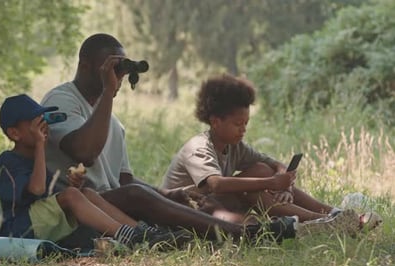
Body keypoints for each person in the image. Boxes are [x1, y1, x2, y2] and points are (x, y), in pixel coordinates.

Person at [39, 33, 253, 242]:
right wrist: (108, 92)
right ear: (84, 66)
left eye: (120, 71)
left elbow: (124, 179)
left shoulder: (110, 120)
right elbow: (86, 153)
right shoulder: (62, 99)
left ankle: (244, 228)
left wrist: (169, 195)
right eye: (110, 69)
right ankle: (239, 234)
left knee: (199, 202)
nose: (117, 78)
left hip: (111, 203)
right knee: (136, 195)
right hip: (78, 203)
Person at [159, 73, 362, 229]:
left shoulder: (234, 146)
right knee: (259, 185)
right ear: (215, 122)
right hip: (189, 211)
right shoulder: (199, 148)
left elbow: (274, 165)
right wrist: (272, 183)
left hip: (215, 205)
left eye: (246, 123)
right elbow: (217, 184)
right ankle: (322, 221)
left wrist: (284, 186)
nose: (243, 129)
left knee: (261, 169)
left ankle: (333, 212)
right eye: (238, 123)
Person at [0, 94, 183, 249]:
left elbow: (47, 197)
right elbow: (36, 189)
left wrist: (74, 185)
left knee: (85, 193)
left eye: (44, 120)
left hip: (31, 223)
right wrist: (41, 145)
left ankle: (143, 234)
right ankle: (129, 237)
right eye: (35, 124)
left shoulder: (33, 159)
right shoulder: (8, 161)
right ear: (14, 133)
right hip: (11, 230)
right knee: (71, 196)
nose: (43, 127)